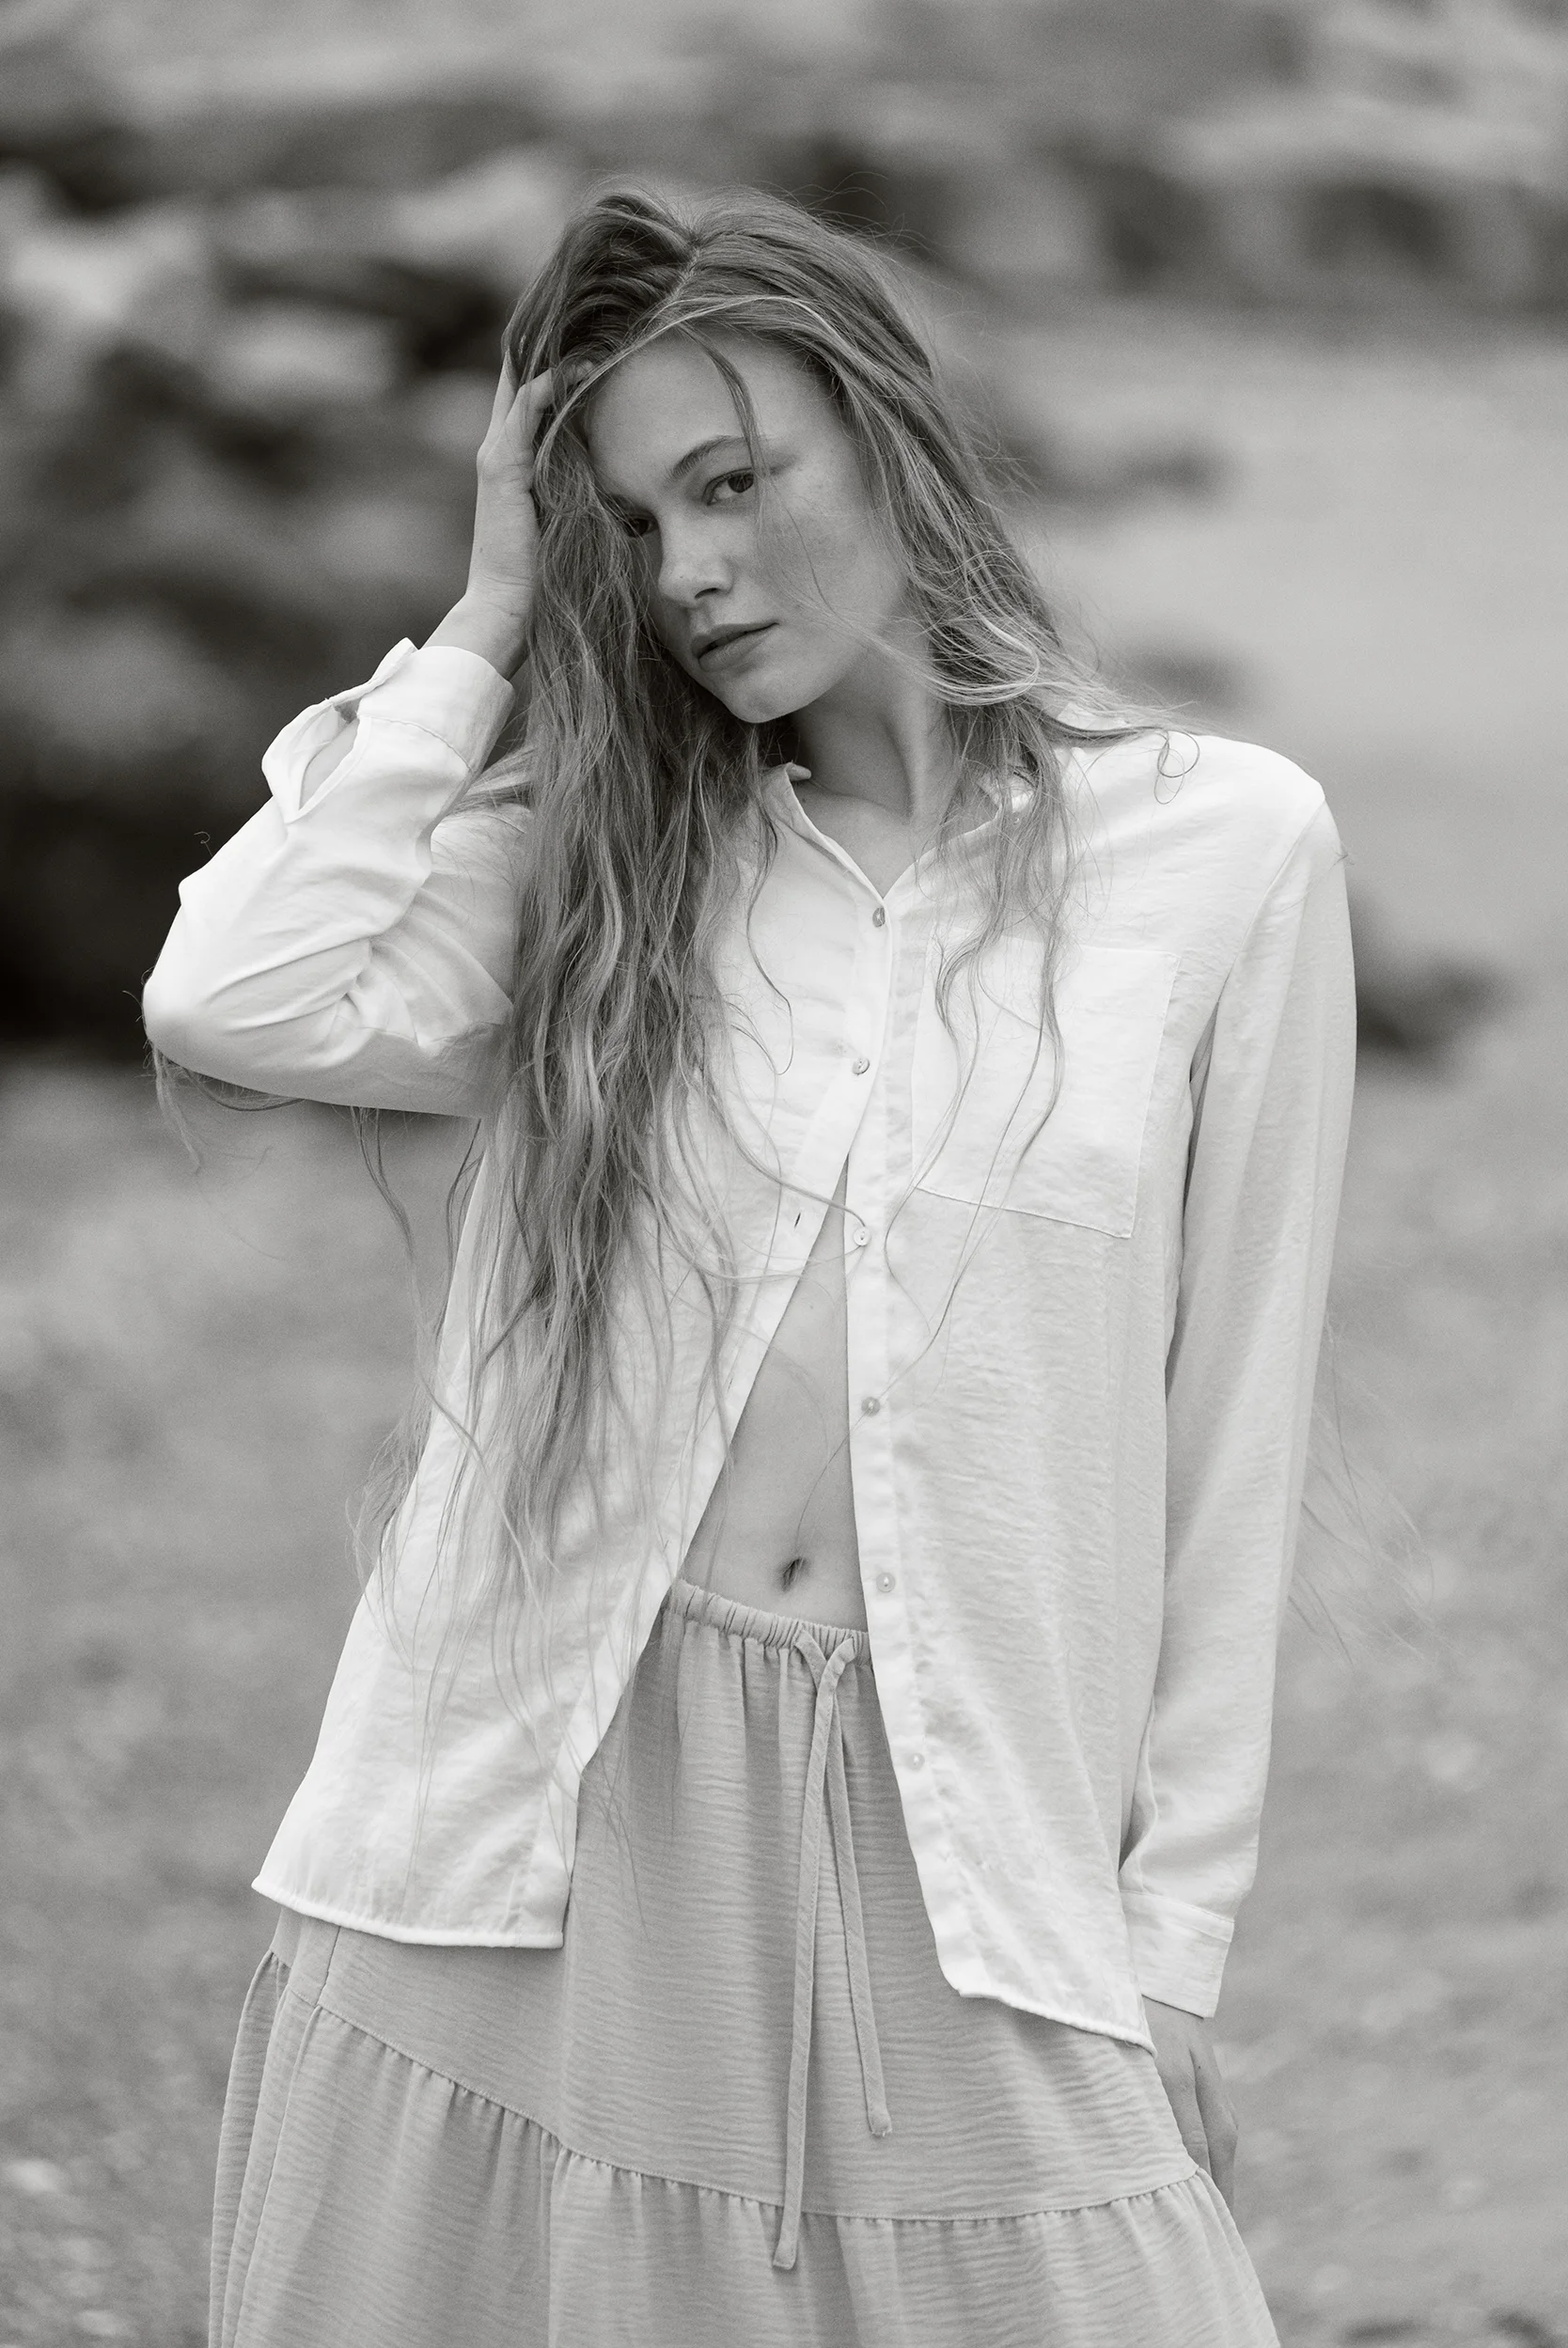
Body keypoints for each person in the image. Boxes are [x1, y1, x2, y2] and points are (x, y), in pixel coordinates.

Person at [144, 184, 1356, 2348]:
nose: (686, 570)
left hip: (961, 1812)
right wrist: (489, 615)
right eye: (631, 523)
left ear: (890, 437)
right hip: (544, 1793)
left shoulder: (1226, 854)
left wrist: (1173, 1943)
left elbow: (1228, 1440)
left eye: (732, 482)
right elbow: (238, 992)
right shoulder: (607, 856)